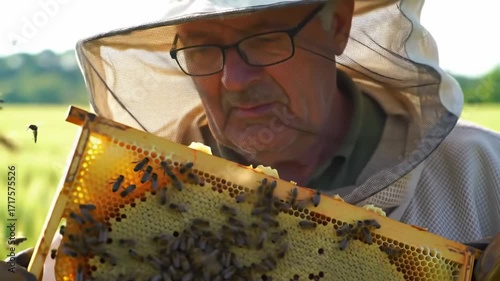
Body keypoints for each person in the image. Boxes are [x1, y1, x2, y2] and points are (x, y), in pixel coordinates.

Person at [3, 0, 500, 280]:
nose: (234, 79)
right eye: (201, 48)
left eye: (264, 38)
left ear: (337, 24)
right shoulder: (125, 198)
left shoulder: (485, 175)